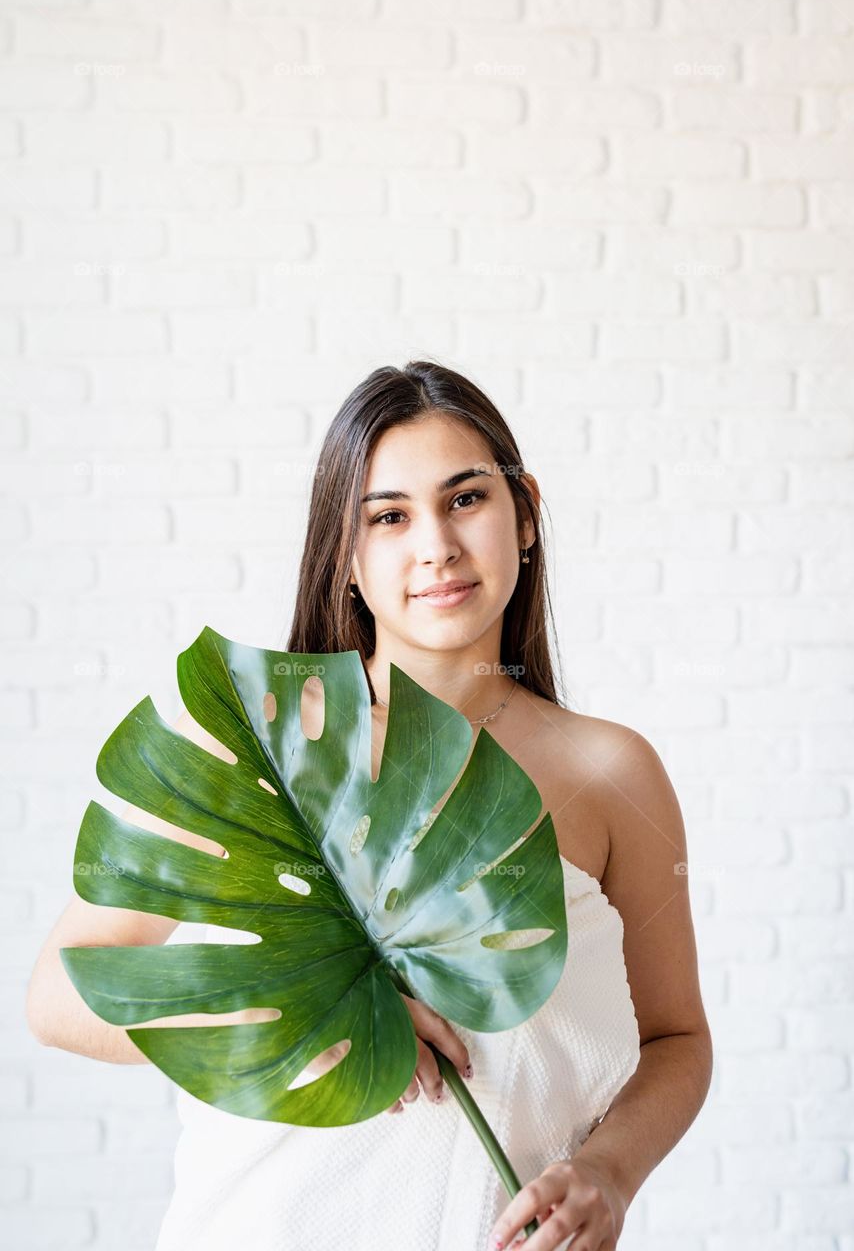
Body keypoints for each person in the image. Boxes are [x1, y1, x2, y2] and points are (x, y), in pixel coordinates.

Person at [27, 360, 713, 1251]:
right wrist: (293, 1016)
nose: (435, 545)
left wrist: (609, 1173)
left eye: (465, 499)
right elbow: (60, 993)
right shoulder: (259, 741)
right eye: (388, 517)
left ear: (526, 513)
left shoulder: (612, 772)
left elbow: (678, 1038)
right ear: (347, 557)